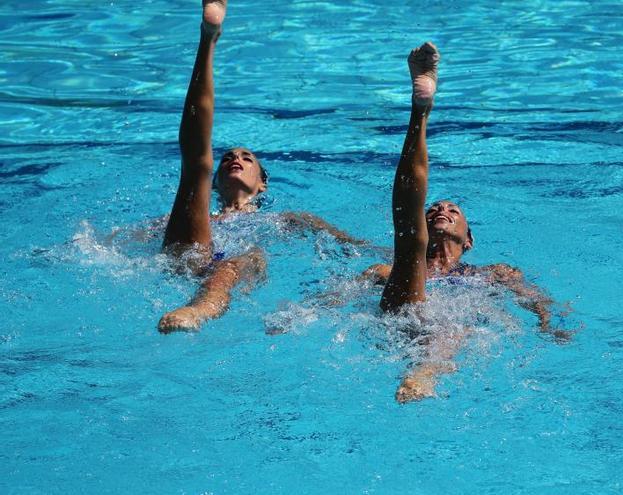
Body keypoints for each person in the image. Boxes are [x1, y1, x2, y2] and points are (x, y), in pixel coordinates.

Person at [362, 42, 570, 403]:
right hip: (404, 307)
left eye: (452, 210)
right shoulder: (384, 267)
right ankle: (420, 110)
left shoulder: (496, 274)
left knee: (452, 327)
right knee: (409, 243)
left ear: (468, 240)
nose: (441, 210)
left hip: (448, 326)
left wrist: (548, 324)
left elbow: (540, 302)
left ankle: (425, 372)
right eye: (434, 209)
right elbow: (334, 298)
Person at [158, 1, 364, 333]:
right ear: (217, 184)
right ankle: (208, 37)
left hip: (235, 266)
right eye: (228, 159)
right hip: (192, 250)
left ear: (262, 183)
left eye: (246, 158)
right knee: (195, 165)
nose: (235, 159)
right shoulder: (204, 218)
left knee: (241, 261)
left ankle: (197, 312)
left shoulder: (286, 220)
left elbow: (351, 244)